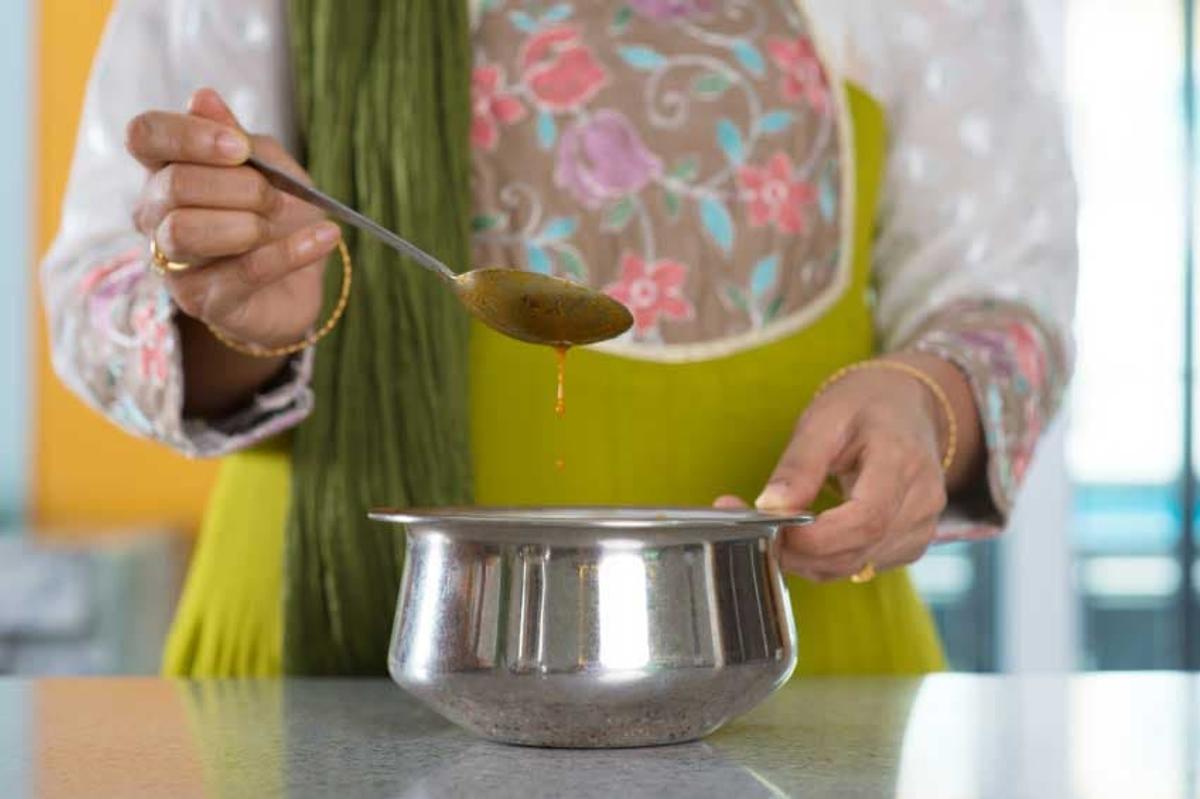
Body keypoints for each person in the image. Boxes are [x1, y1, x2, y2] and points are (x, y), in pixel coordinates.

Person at [42, 0, 1076, 676]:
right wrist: (234, 305)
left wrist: (927, 404)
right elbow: (99, 286)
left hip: (795, 690)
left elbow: (1005, 294)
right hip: (326, 686)